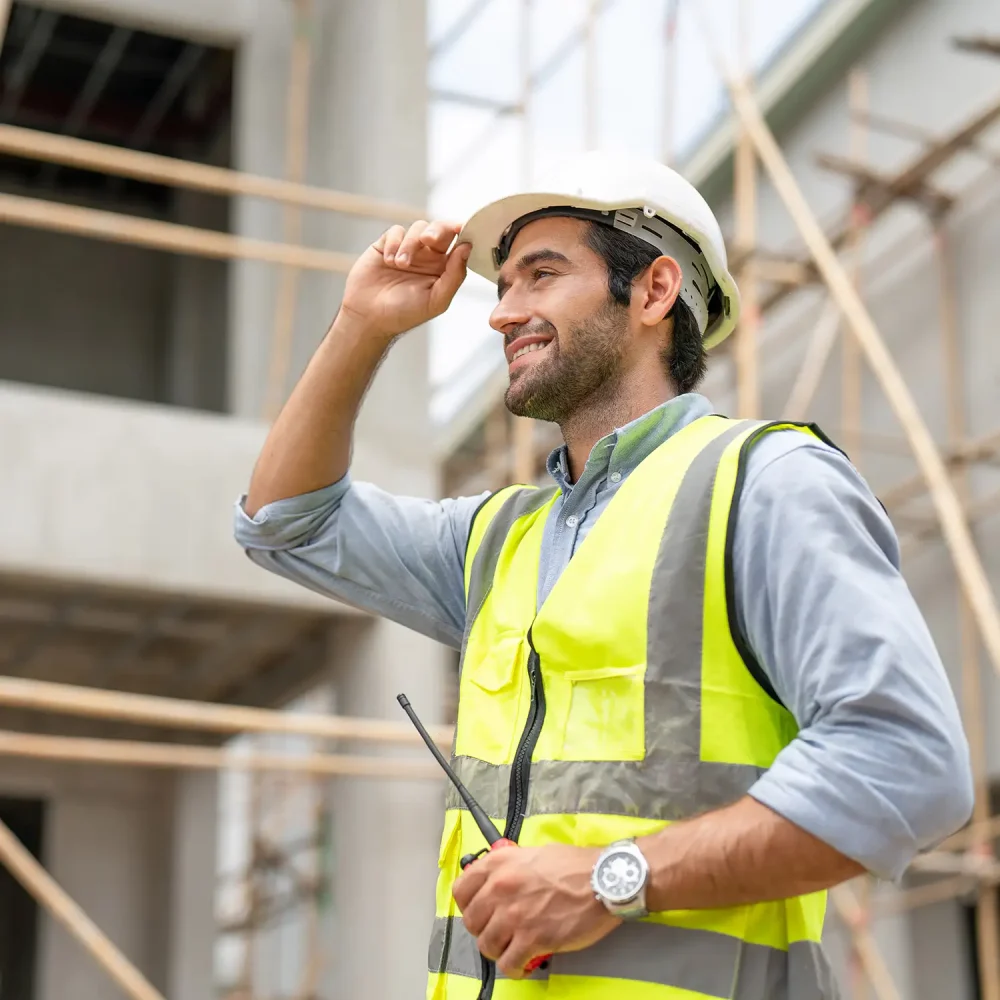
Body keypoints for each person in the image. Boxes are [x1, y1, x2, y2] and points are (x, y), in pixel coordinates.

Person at [235, 150, 973, 1000]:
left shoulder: (765, 484)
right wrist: (363, 326)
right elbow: (284, 523)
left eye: (540, 277)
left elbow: (907, 763)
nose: (503, 313)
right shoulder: (497, 540)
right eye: (502, 287)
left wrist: (606, 879)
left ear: (654, 292)